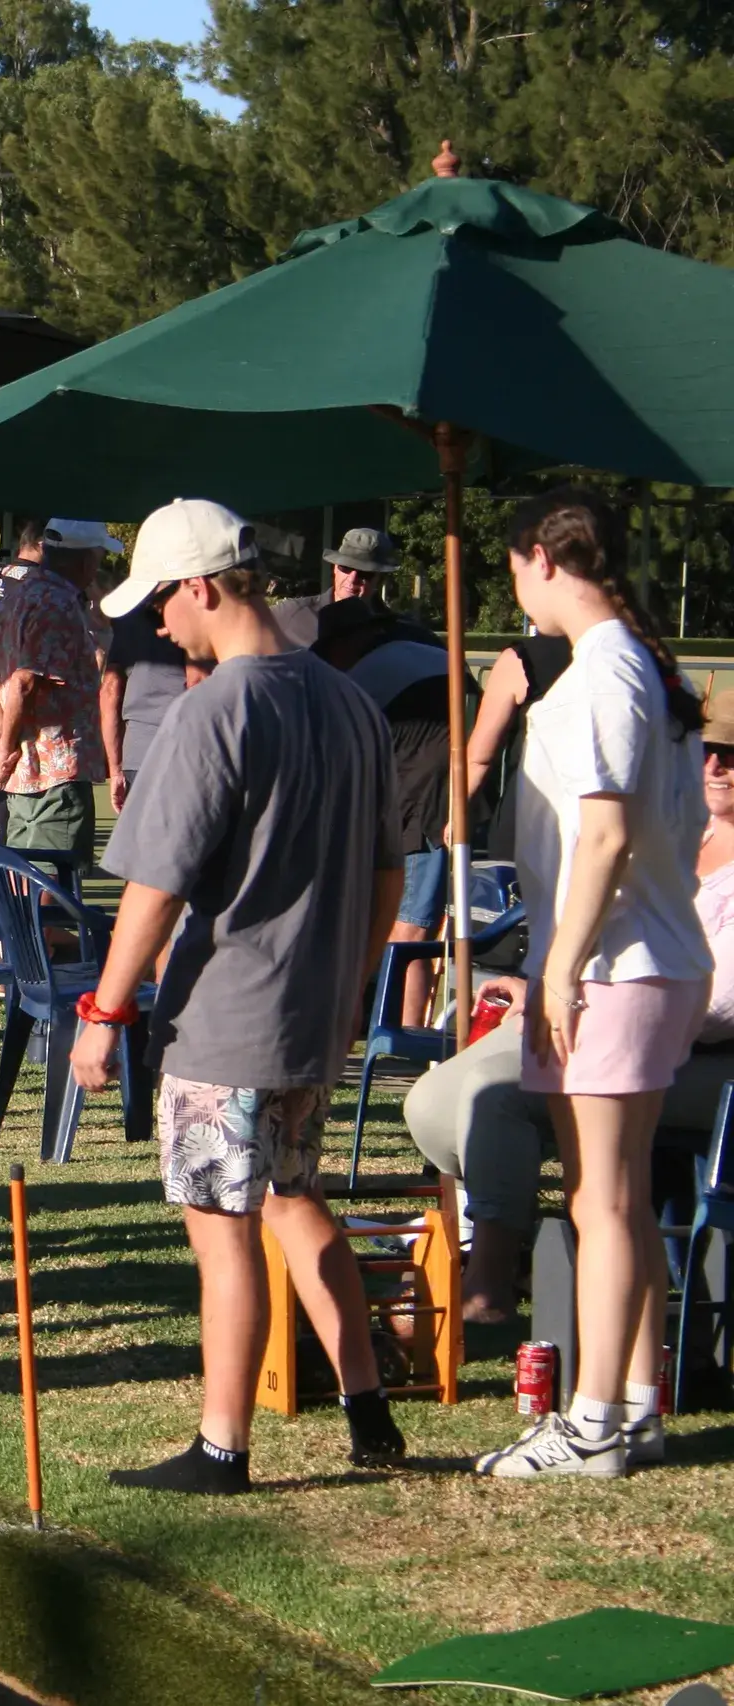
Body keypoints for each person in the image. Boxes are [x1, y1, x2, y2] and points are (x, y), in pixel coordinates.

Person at [68, 497, 405, 1496]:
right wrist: (351, 982)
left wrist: (104, 1012)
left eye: (159, 606)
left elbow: (156, 885)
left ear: (200, 587)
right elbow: (389, 872)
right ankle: (365, 1407)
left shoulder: (210, 711)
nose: (154, 627)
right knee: (299, 1201)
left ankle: (222, 1447)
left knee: (223, 1229)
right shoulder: (350, 701)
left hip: (223, 1017)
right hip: (310, 1013)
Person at [471, 488, 706, 1481]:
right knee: (615, 1198)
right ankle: (637, 1402)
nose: (515, 585)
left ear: (540, 558)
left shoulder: (609, 669)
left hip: (613, 964)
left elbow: (603, 832)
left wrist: (557, 968)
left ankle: (595, 1416)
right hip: (634, 959)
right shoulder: (634, 664)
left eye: (516, 565)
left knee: (598, 1201)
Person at [406, 688, 734, 1328]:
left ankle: (491, 1275)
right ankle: (512, 1244)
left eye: (733, 754)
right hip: (597, 1018)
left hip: (697, 1060)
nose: (715, 767)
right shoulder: (670, 836)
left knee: (495, 1099)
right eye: (707, 750)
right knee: (435, 1100)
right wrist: (548, 986)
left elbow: (719, 1006)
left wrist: (594, 1005)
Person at [316, 594, 457, 1025]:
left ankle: (396, 1028)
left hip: (422, 798)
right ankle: (395, 1023)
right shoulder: (420, 645)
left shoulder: (361, 673)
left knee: (411, 921)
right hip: (455, 791)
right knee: (418, 919)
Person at [0, 518, 118, 862]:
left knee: (22, 887)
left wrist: (0, 741)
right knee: (52, 892)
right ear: (86, 559)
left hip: (22, 774)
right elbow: (25, 680)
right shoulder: (58, 602)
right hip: (54, 771)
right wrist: (6, 744)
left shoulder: (16, 596)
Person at [466, 628, 575, 860]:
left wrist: (457, 811)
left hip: (531, 812)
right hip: (607, 812)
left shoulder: (524, 658)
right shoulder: (633, 651)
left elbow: (480, 756)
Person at [99, 579, 197, 810]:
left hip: (139, 752)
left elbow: (110, 690)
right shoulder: (199, 614)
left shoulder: (128, 620)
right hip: (188, 749)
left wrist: (115, 770)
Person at [274, 524, 410, 649]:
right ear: (335, 568)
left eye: (364, 573)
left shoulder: (399, 632)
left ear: (380, 579)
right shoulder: (292, 615)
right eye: (345, 568)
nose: (352, 579)